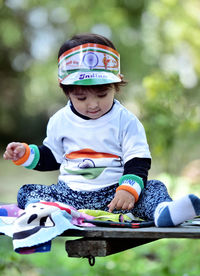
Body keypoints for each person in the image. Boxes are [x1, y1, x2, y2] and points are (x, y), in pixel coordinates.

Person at [3, 33, 200, 227]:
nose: (93, 104)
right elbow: (52, 156)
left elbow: (137, 160)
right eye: (82, 98)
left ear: (117, 84)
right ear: (65, 89)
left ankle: (163, 212)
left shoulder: (125, 121)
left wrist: (127, 190)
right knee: (27, 192)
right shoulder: (59, 121)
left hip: (116, 196)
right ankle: (49, 212)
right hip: (70, 195)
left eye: (102, 94)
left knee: (154, 188)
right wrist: (25, 154)